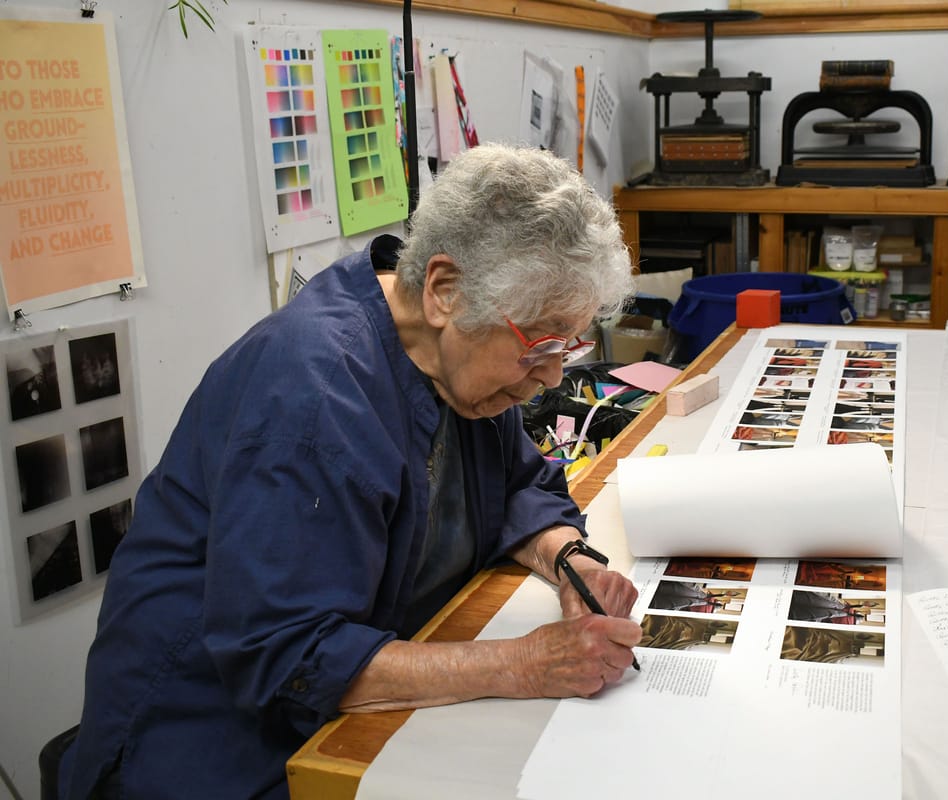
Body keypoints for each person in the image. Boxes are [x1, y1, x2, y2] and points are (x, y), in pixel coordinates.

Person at [61, 143, 643, 799]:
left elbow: (516, 486)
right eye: (540, 343)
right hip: (209, 743)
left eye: (571, 343)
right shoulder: (314, 395)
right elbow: (288, 660)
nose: (552, 376)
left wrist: (573, 563)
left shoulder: (463, 364)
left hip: (348, 693)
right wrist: (522, 663)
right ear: (445, 291)